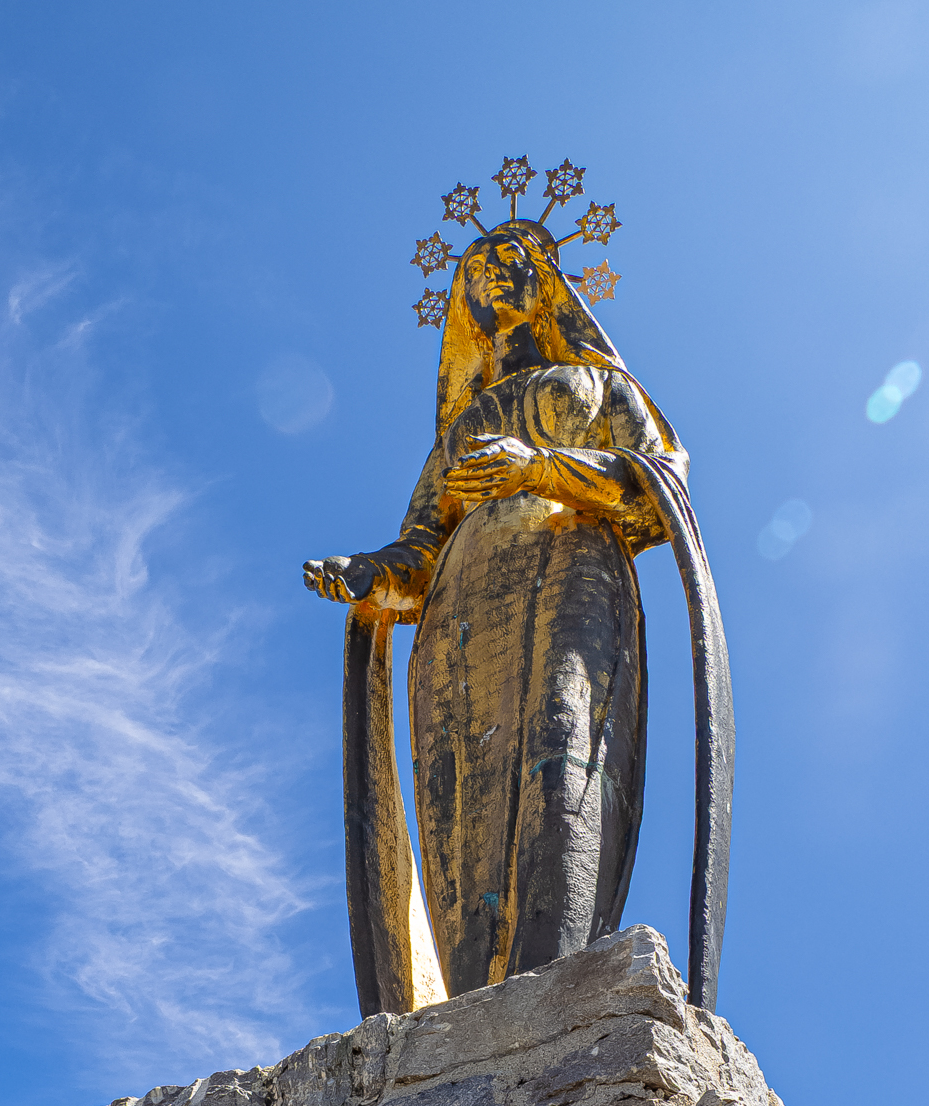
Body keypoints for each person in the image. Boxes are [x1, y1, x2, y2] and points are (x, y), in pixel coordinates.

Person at [305, 219, 732, 1010]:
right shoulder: (459, 431)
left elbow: (658, 489)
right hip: (461, 612)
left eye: (515, 259)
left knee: (563, 752)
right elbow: (421, 549)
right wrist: (370, 576)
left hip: (572, 571)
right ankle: (470, 1007)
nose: (495, 273)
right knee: (456, 796)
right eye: (477, 266)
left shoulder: (602, 388)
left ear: (547, 285)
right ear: (462, 302)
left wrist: (538, 465)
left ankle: (551, 988)